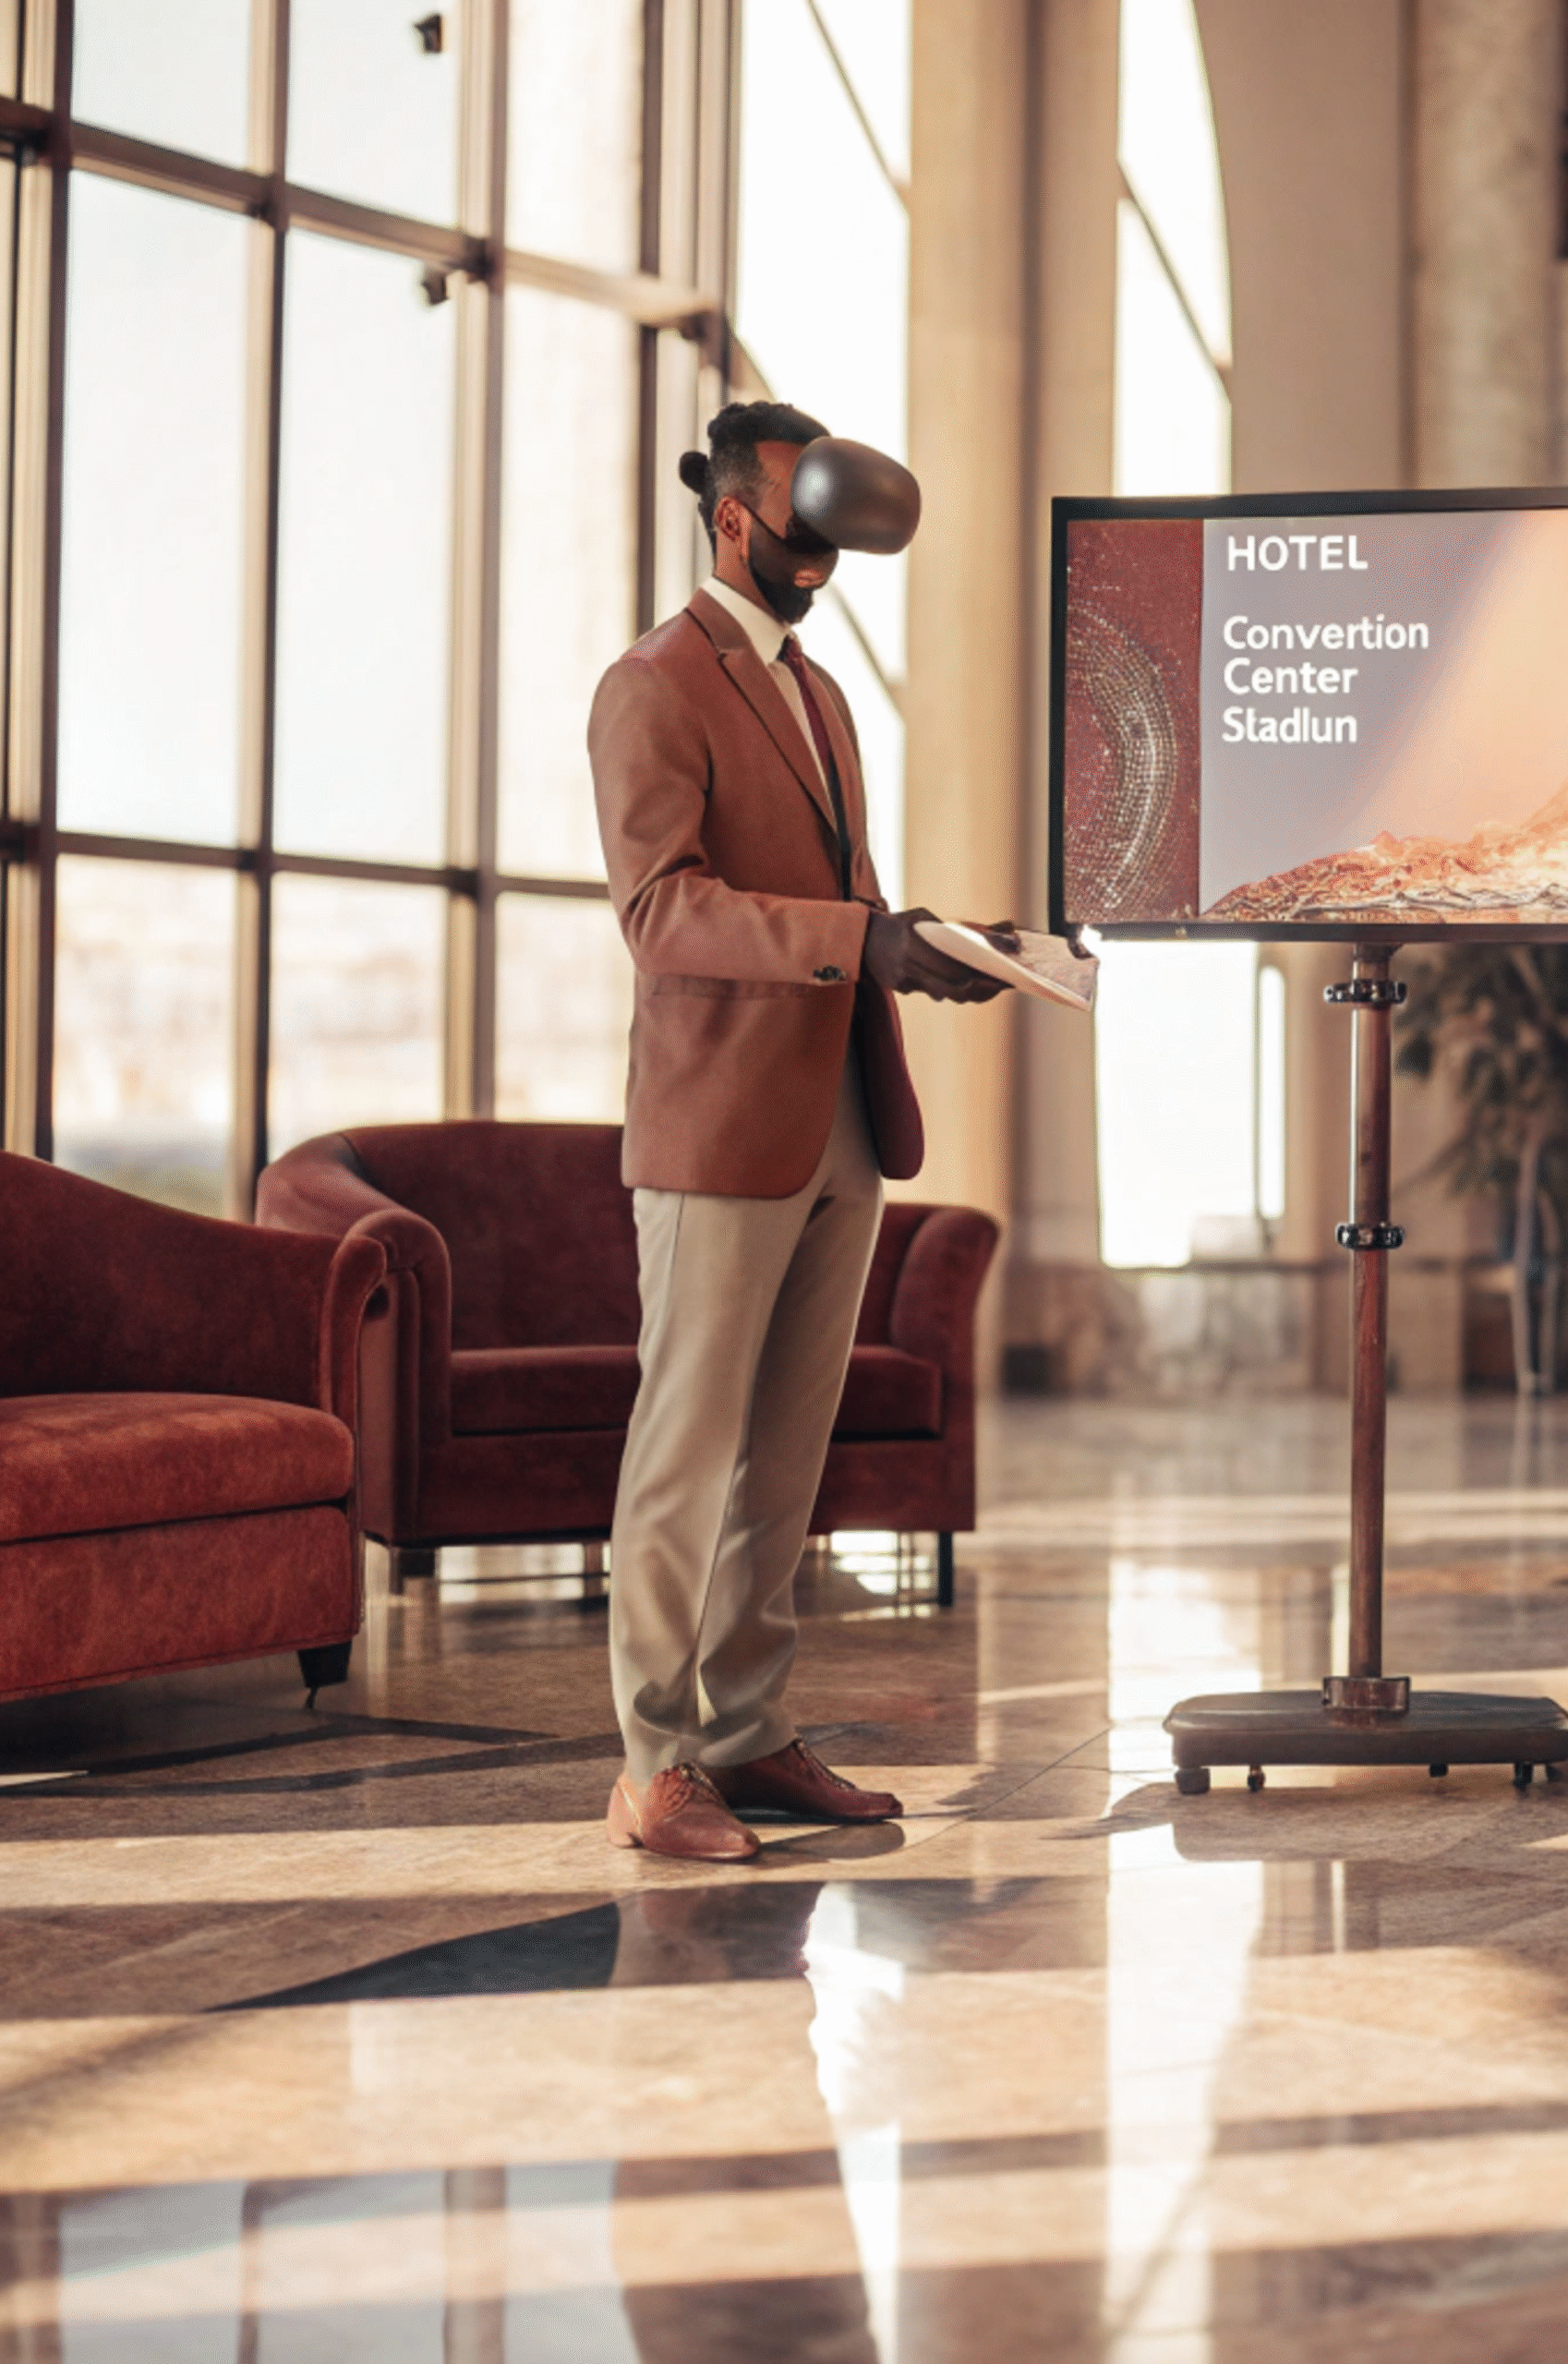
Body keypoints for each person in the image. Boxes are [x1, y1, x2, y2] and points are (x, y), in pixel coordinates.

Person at [588, 399, 1004, 1864]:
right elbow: (663, 913)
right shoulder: (652, 684)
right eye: (800, 515)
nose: (821, 548)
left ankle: (746, 1732)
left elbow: (842, 903)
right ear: (731, 517)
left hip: (840, 1113)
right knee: (687, 1452)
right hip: (720, 1125)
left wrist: (928, 945)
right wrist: (855, 940)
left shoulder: (821, 695)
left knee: (783, 1460)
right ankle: (654, 1766)